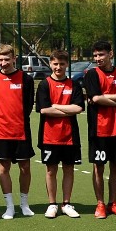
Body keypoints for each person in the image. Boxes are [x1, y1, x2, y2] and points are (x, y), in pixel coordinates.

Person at [84, 41, 116, 218]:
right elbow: (95, 99)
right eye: (95, 55)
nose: (98, 59)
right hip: (98, 129)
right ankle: (100, 204)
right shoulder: (91, 74)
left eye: (101, 55)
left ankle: (113, 203)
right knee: (99, 167)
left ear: (110, 54)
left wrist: (104, 98)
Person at [36, 50, 84, 218]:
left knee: (69, 169)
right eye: (55, 64)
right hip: (49, 136)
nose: (58, 67)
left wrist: (56, 106)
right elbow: (43, 110)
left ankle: (66, 203)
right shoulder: (44, 85)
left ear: (67, 65)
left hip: (70, 136)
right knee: (51, 170)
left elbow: (78, 108)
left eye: (62, 64)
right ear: (50, 64)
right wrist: (67, 110)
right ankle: (52, 204)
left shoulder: (74, 85)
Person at [0, 44, 35, 219]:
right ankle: (9, 206)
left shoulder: (26, 79)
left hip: (21, 130)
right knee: (4, 168)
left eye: (7, 59)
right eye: (0, 59)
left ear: (14, 58)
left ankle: (24, 204)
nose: (3, 63)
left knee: (25, 168)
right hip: (1, 131)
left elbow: (28, 105)